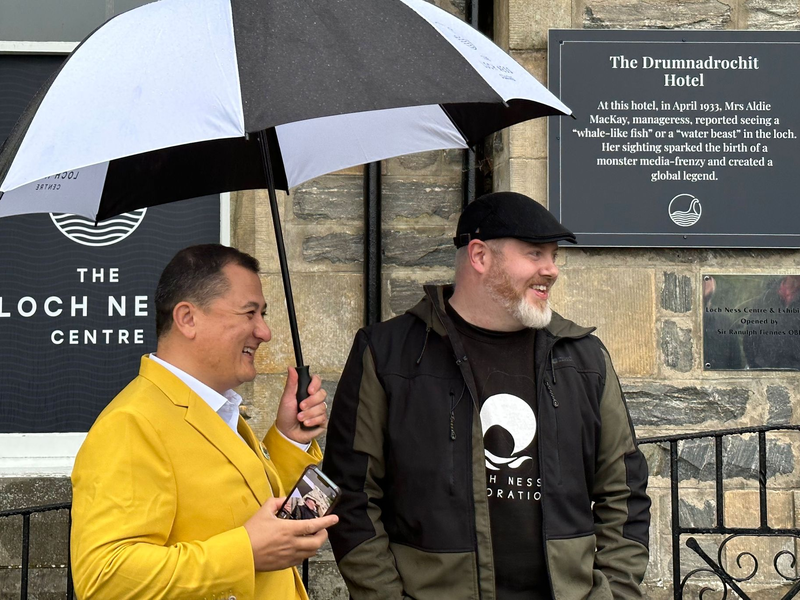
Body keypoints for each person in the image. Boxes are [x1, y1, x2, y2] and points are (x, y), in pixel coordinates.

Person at [322, 192, 650, 599]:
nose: (551, 270)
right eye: (534, 254)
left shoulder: (584, 358)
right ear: (479, 256)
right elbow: (351, 495)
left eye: (553, 256)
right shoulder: (388, 354)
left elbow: (625, 491)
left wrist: (612, 595)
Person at [70, 244, 338, 600]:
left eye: (264, 314)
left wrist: (289, 438)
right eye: (250, 313)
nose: (264, 332)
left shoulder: (217, 410)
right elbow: (106, 578)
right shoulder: (132, 423)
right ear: (187, 319)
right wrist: (244, 552)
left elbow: (252, 506)